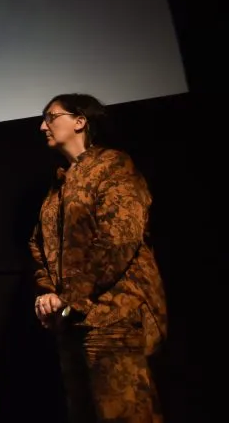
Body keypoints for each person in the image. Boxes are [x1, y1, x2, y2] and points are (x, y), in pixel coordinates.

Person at [29, 93, 168, 423]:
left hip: (116, 314)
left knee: (126, 414)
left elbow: (119, 240)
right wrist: (49, 291)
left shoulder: (113, 166)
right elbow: (38, 244)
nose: (42, 126)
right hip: (72, 321)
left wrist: (71, 296)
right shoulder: (59, 184)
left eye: (51, 117)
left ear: (80, 121)